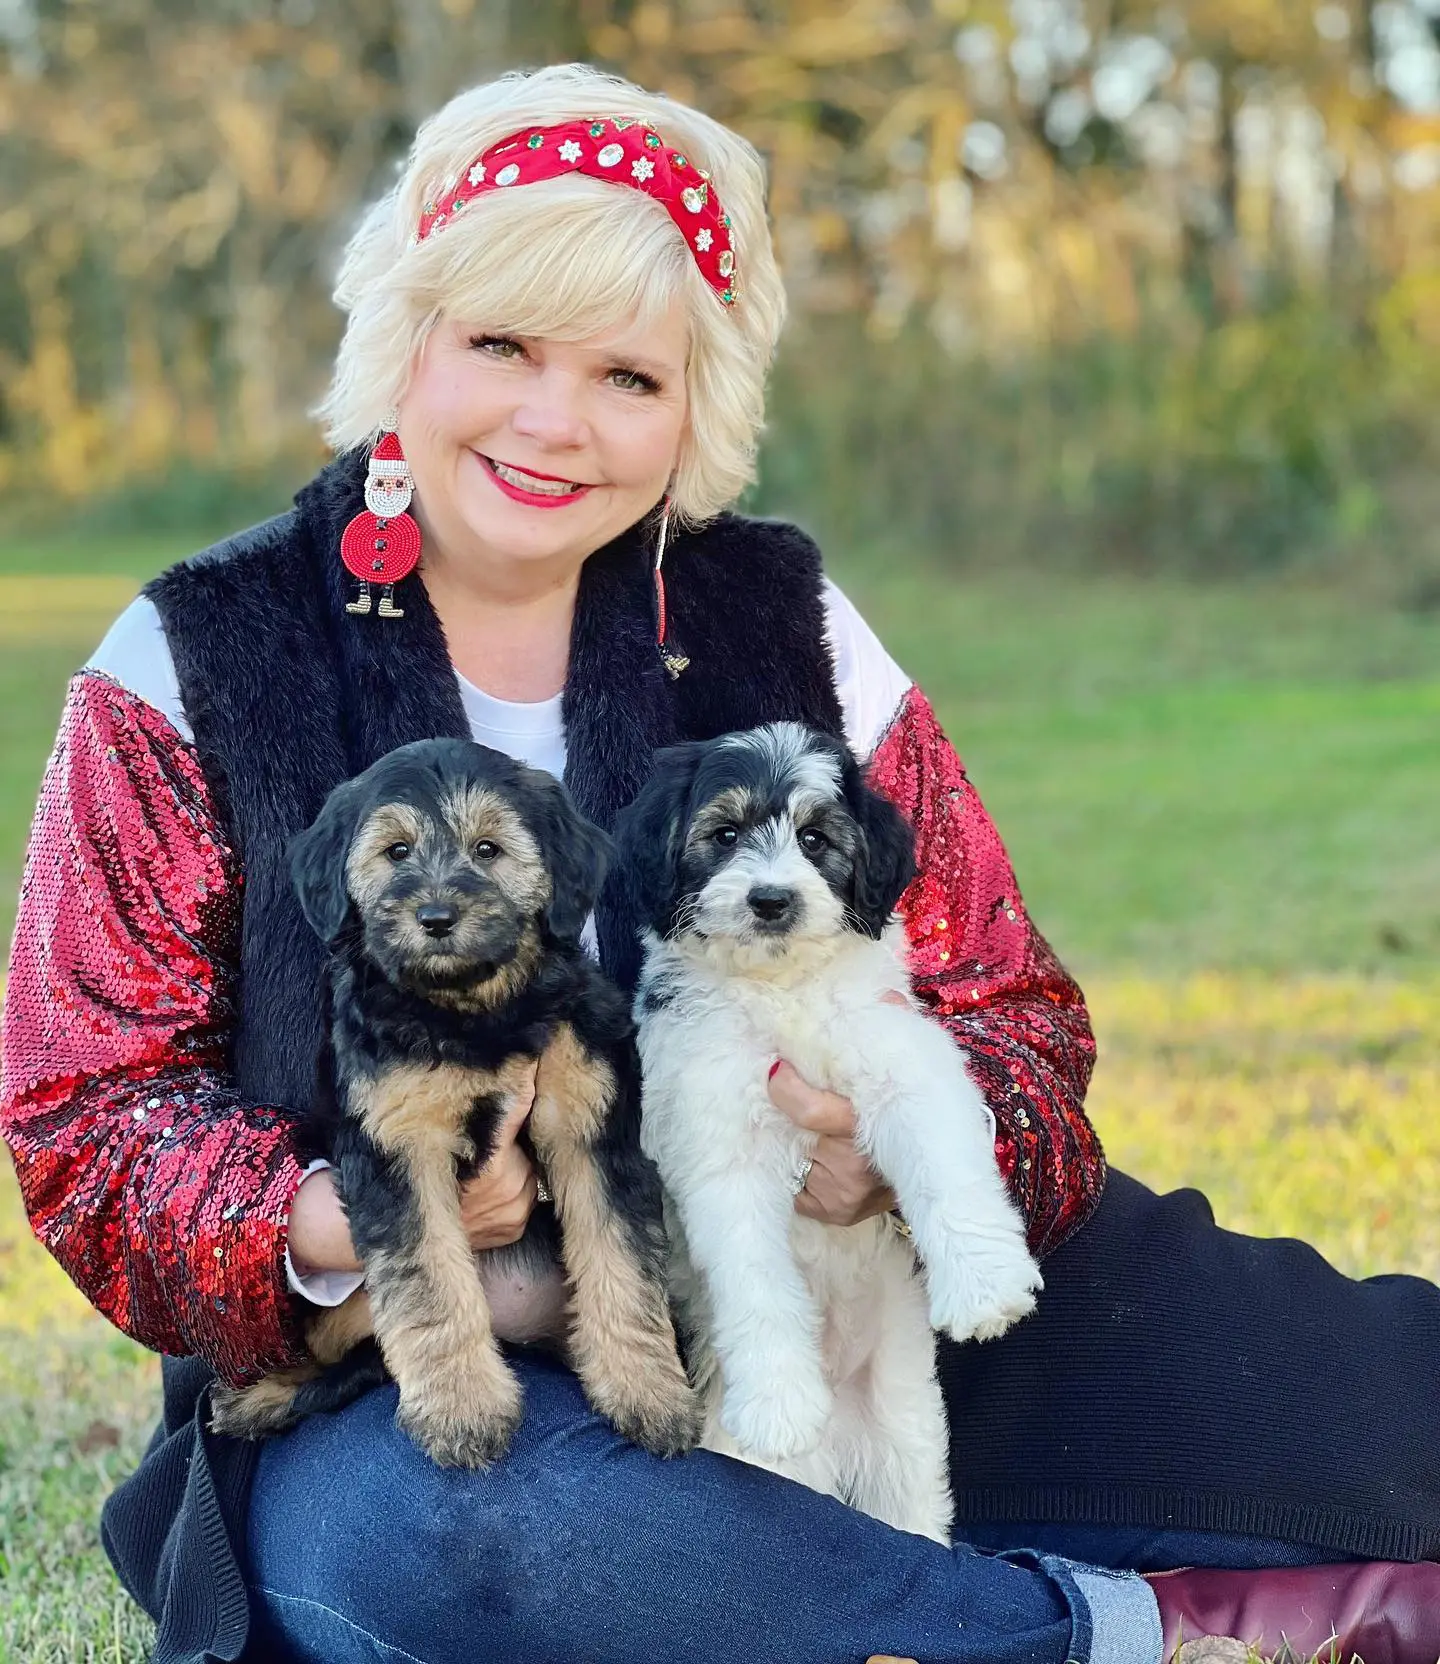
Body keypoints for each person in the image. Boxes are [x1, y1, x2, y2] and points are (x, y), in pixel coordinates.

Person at [2, 61, 1438, 1664]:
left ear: (699, 405)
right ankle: (1105, 1631)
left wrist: (879, 1159)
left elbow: (1014, 1010)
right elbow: (88, 1103)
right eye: (500, 346)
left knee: (1367, 1399)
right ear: (405, 338)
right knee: (486, 1545)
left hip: (827, 1273)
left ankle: (1274, 1586)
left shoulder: (782, 616)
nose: (557, 422)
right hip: (400, 1372)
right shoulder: (198, 652)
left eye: (629, 374)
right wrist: (338, 1218)